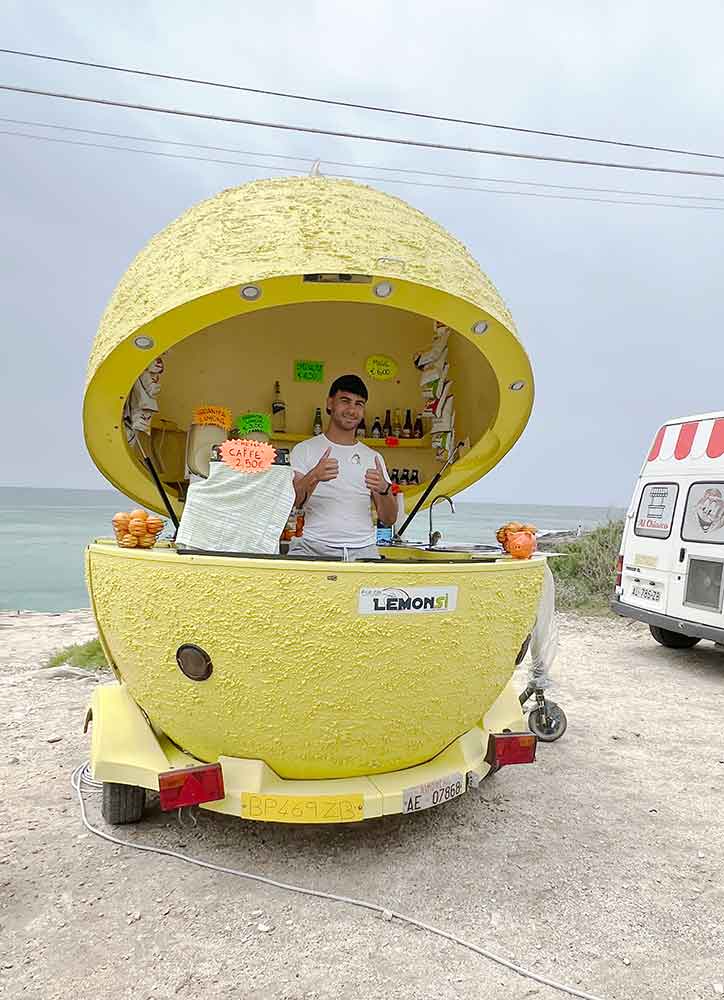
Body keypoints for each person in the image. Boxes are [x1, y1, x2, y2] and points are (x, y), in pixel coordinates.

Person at [288, 374, 398, 560]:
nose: (352, 410)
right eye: (345, 401)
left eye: (359, 404)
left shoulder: (373, 457)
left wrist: (385, 489)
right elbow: (293, 503)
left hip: (364, 551)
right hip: (313, 548)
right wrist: (314, 476)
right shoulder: (304, 450)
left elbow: (389, 519)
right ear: (330, 403)